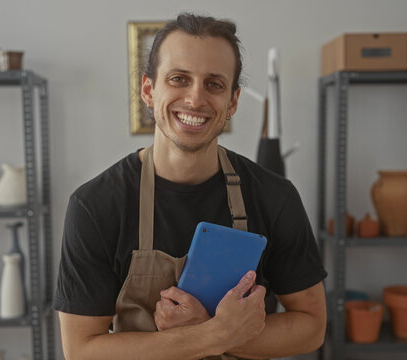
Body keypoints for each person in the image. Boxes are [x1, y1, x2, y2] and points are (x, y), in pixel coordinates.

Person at [54, 13, 327, 360]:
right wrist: (215, 333)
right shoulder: (95, 206)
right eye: (179, 79)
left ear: (233, 101)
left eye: (214, 84)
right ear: (149, 90)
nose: (196, 99)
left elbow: (312, 328)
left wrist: (210, 331)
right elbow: (81, 350)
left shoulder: (274, 197)